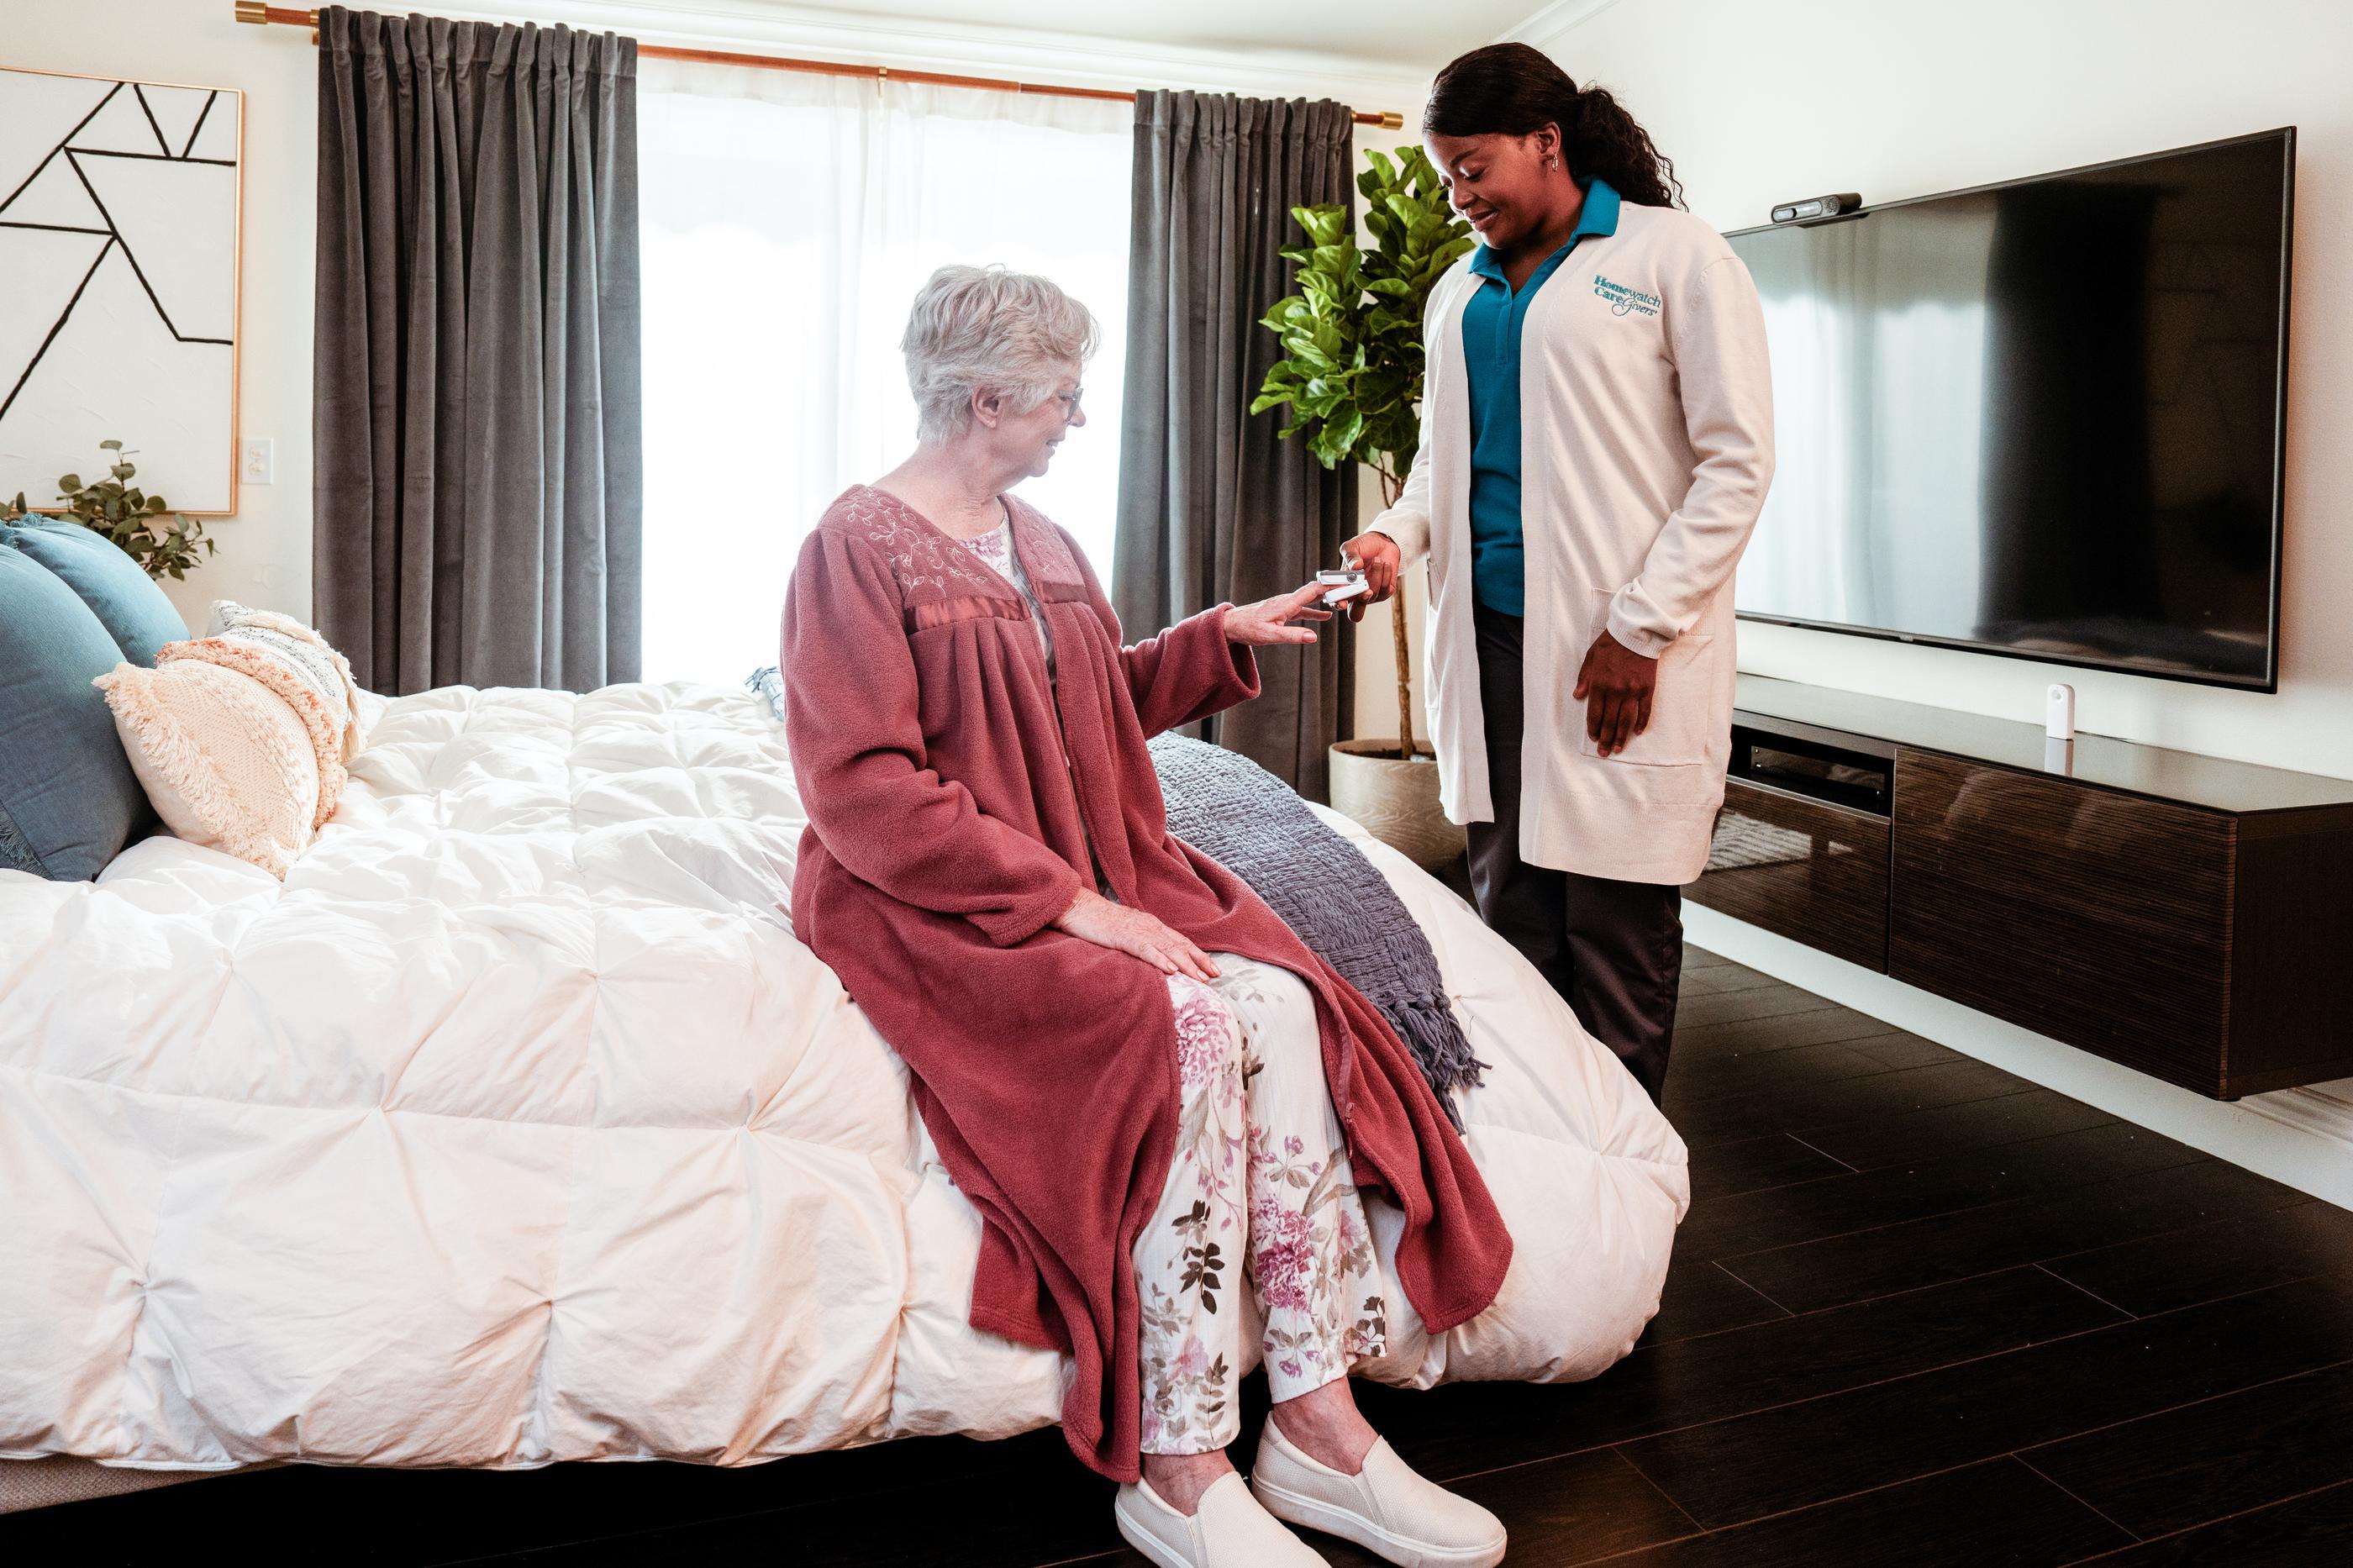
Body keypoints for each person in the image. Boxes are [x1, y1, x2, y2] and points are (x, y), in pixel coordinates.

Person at [782, 264, 1513, 1568]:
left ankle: (1319, 1423)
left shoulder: (1041, 537)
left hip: (1074, 868)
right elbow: (863, 793)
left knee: (1283, 1003)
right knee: (1177, 1019)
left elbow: (1078, 707)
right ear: (988, 397)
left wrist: (1217, 632)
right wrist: (1074, 910)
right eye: (1062, 393)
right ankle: (1177, 1461)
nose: (1076, 415)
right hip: (938, 902)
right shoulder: (855, 544)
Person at [1344, 43, 1775, 1104]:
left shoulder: (1675, 257)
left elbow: (1736, 461)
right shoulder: (1461, 293)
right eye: (1446, 174)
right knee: (1511, 910)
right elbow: (1449, 461)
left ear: (1547, 143)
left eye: (1473, 167)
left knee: (1617, 920)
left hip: (1614, 649)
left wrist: (1640, 628)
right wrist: (1398, 534)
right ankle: (1542, 1153)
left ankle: (1628, 1179)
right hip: (1490, 641)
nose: (1458, 196)